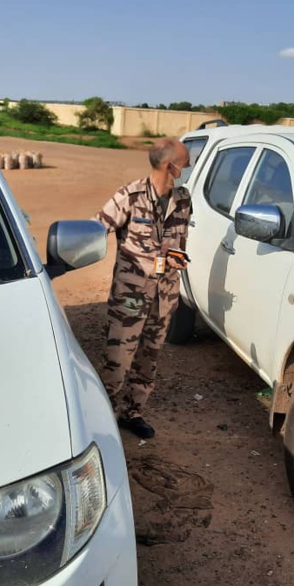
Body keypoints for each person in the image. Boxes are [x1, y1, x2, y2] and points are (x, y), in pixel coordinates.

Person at [94, 138, 192, 439]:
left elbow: (179, 239)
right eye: (184, 163)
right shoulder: (130, 196)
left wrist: (176, 257)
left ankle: (132, 413)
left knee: (148, 360)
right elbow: (97, 229)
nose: (186, 168)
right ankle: (102, 418)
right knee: (117, 361)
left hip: (163, 297)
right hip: (130, 298)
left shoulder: (184, 200)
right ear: (169, 165)